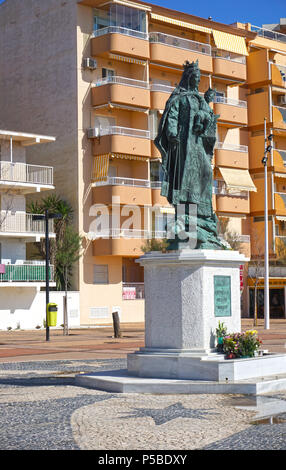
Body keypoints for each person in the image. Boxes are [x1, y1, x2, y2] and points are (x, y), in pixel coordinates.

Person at [154, 60, 223, 249]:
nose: (197, 81)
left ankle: (203, 219)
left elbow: (206, 115)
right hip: (183, 145)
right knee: (185, 180)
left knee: (205, 175)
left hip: (197, 144)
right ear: (188, 77)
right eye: (194, 78)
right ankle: (186, 221)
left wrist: (207, 101)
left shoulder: (198, 98)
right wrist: (172, 134)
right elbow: (172, 115)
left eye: (199, 79)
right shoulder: (179, 97)